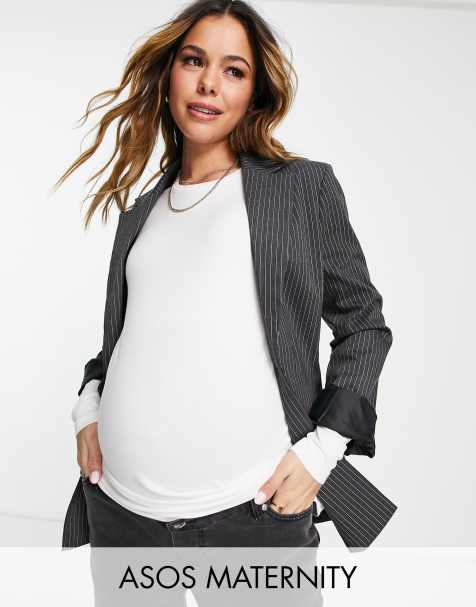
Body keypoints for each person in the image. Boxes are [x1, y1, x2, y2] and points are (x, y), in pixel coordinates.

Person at [56, 1, 395, 592]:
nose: (209, 82)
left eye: (233, 70)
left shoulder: (300, 188)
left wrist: (322, 452)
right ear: (169, 76)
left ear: (254, 94)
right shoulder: (142, 212)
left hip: (253, 515)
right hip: (121, 515)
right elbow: (125, 342)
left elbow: (363, 324)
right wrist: (87, 411)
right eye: (194, 61)